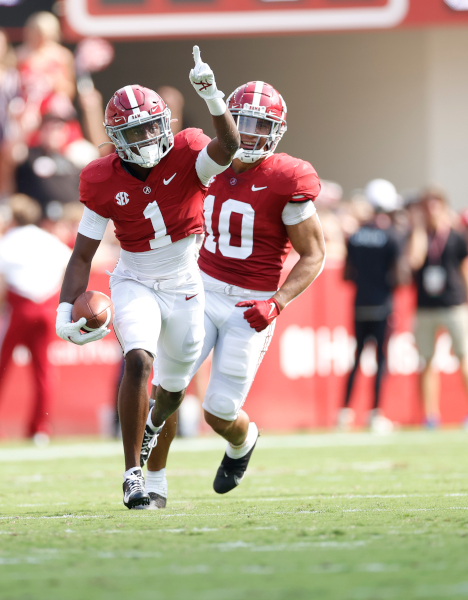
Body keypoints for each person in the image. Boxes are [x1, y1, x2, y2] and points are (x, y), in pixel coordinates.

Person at [55, 46, 240, 509]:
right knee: (138, 359)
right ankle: (133, 476)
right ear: (115, 137)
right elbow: (82, 255)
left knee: (171, 394)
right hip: (135, 279)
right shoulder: (101, 178)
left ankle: (156, 473)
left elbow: (231, 147)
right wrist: (65, 310)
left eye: (151, 127)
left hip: (185, 286)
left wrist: (214, 97)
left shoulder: (188, 153)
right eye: (134, 131)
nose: (145, 137)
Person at [142, 81, 325, 507]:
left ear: (276, 131)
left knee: (219, 412)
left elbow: (314, 254)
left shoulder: (287, 178)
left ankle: (243, 442)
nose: (249, 132)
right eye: (241, 121)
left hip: (251, 301)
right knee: (168, 389)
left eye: (260, 124)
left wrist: (276, 302)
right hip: (200, 289)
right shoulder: (209, 161)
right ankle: (154, 485)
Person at [0, 194, 70, 444]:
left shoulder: (7, 241)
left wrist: (0, 308)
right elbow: (71, 265)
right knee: (44, 371)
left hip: (18, 307)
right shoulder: (49, 240)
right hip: (46, 308)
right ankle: (40, 428)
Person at [408, 187, 468, 433]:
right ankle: (430, 416)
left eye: (435, 206)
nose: (431, 211)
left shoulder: (455, 237)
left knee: (465, 357)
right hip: (426, 307)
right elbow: (414, 260)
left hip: (454, 305)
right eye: (427, 206)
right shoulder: (418, 236)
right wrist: (420, 230)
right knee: (426, 362)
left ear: (444, 208)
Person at [339, 179, 404, 434]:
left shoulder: (354, 235)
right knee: (380, 359)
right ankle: (375, 413)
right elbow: (400, 276)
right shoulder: (392, 236)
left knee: (356, 358)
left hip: (359, 304)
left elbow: (346, 274)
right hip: (382, 305)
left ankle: (344, 412)